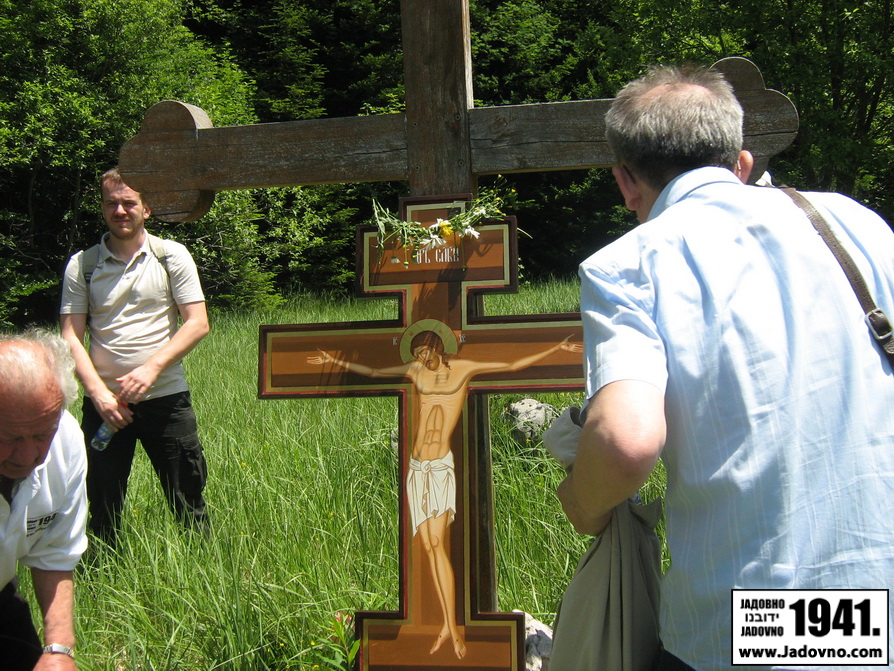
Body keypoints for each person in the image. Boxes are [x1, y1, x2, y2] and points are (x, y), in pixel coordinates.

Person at [559, 64, 894, 670]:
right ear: (741, 162)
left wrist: (584, 505)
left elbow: (626, 439)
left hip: (748, 627)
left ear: (625, 182)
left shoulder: (627, 267)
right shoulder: (855, 223)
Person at [310, 325, 580, 659]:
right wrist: (334, 361)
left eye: (426, 351)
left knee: (438, 543)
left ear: (438, 347)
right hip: (417, 467)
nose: (422, 358)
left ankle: (451, 627)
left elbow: (510, 364)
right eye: (417, 353)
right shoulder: (415, 371)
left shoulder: (463, 368)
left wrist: (555, 348)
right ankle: (441, 625)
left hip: (439, 467)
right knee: (427, 546)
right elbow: (375, 371)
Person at [60, 168, 210, 546]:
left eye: (129, 202)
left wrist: (151, 369)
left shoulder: (170, 256)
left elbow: (197, 323)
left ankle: (203, 567)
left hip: (166, 399)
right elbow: (70, 337)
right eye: (111, 203)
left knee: (188, 500)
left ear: (147, 208)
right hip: (106, 408)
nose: (120, 210)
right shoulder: (83, 265)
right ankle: (105, 573)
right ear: (102, 207)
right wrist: (100, 396)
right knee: (102, 506)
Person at [0, 329, 87, 670]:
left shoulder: (65, 438)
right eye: (8, 437)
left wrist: (59, 649)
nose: (27, 456)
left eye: (41, 435)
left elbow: (55, 550)